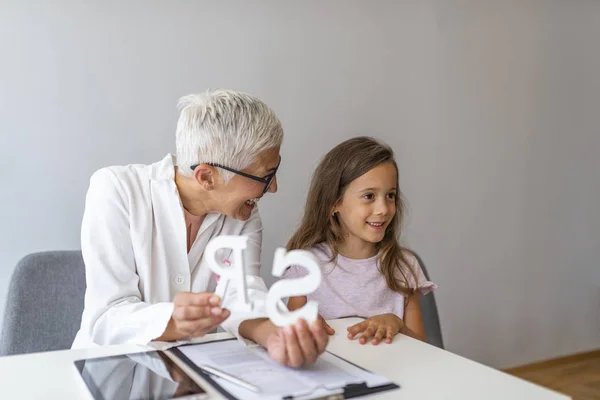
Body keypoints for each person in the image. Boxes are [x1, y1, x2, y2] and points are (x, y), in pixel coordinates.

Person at [72, 89, 328, 368]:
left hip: (191, 374)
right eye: (266, 177)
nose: (274, 188)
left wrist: (274, 334)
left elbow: (241, 294)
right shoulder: (117, 190)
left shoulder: (243, 214)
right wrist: (174, 320)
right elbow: (107, 315)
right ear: (206, 176)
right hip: (109, 371)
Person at [283, 137, 437, 345]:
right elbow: (291, 341)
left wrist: (397, 324)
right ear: (334, 203)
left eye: (390, 195)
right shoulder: (305, 266)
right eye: (369, 196)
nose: (383, 209)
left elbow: (426, 351)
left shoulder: (403, 266)